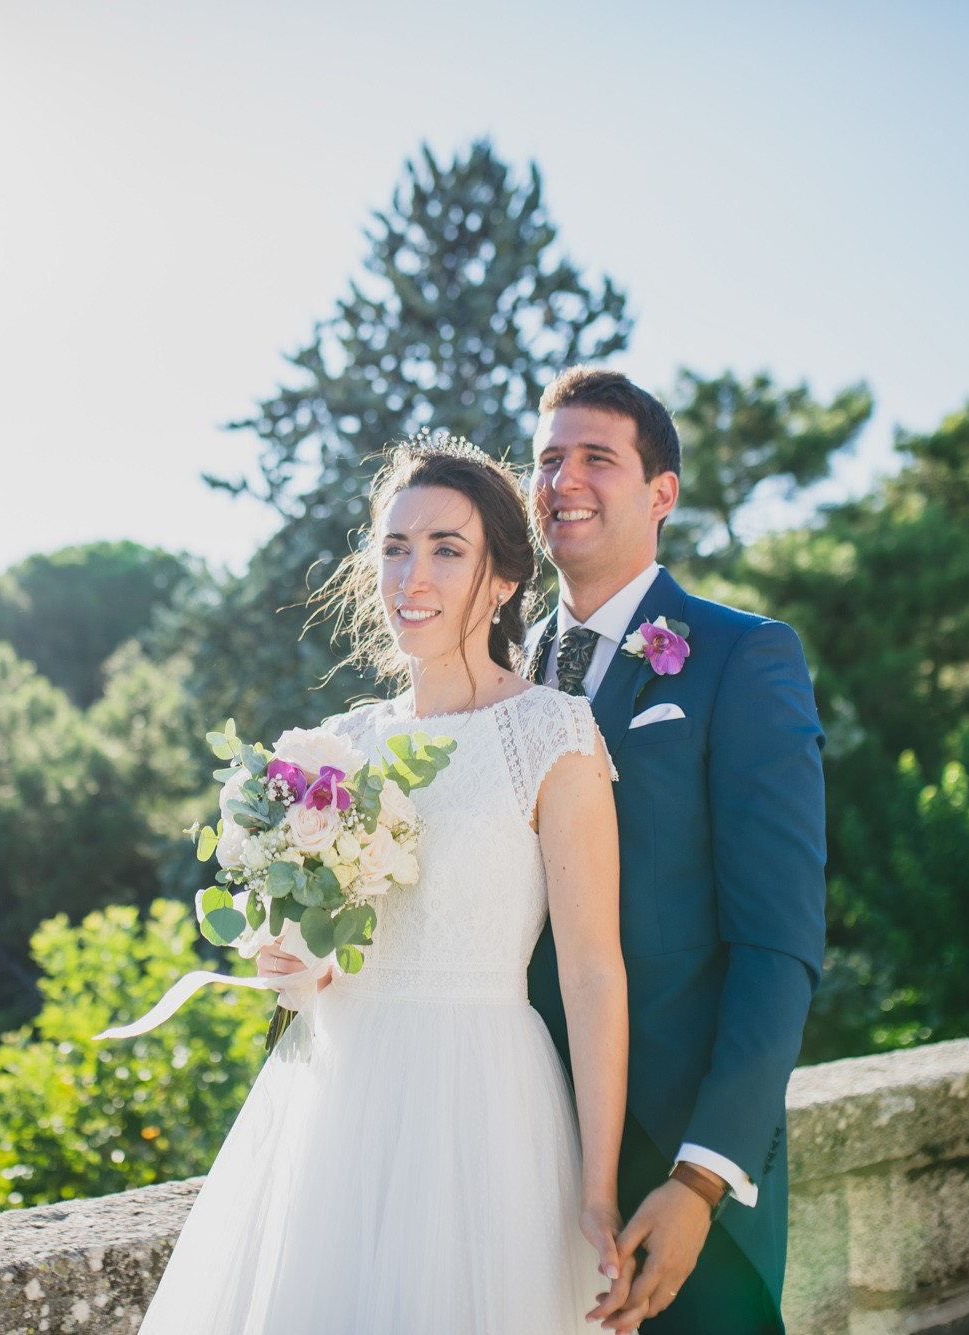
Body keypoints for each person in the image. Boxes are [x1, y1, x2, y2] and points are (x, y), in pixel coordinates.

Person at [139, 435, 633, 1333]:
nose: (414, 573)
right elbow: (321, 957)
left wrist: (598, 1185)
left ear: (504, 580)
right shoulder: (339, 745)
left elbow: (594, 971)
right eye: (395, 547)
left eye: (448, 549)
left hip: (480, 1101)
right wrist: (288, 958)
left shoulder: (554, 735)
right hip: (334, 1099)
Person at [521, 368, 826, 1333]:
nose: (564, 478)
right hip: (514, 1140)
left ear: (662, 491)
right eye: (547, 459)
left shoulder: (743, 655)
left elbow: (778, 942)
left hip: (672, 1165)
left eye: (596, 457)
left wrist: (701, 1178)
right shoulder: (494, 670)